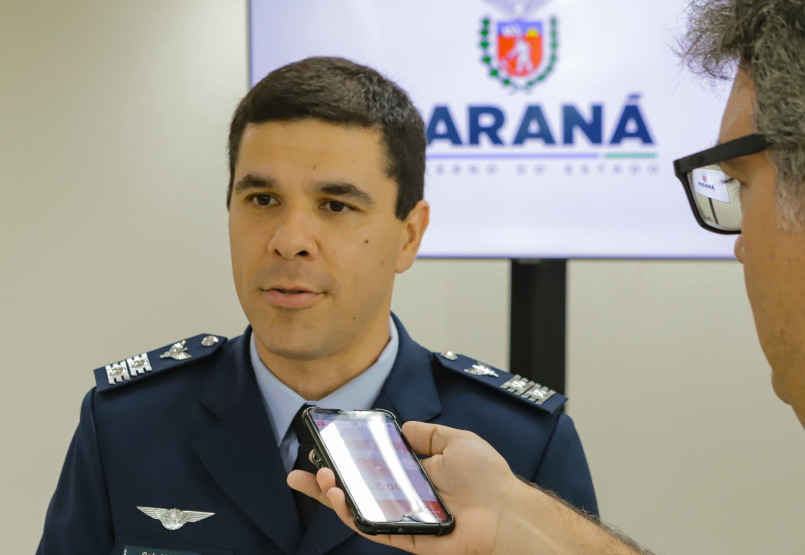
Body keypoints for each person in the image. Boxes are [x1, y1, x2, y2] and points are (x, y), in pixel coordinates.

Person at [289, 1, 805, 553]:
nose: (740, 245)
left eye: (740, 185)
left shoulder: (527, 432)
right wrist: (518, 523)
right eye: (261, 198)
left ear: (410, 231)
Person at [36, 56, 598, 554]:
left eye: (334, 205)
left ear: (408, 236)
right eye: (262, 199)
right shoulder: (126, 427)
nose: (289, 239)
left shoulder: (518, 448)